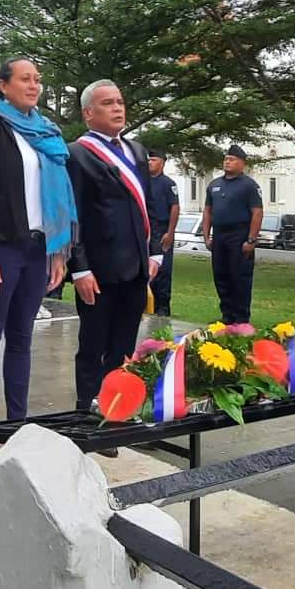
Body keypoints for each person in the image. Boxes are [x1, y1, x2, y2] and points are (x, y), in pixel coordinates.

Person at [0, 58, 74, 461]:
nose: (34, 85)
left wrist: (56, 253)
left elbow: (53, 197)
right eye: (26, 79)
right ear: (3, 85)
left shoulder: (45, 131)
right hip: (0, 249)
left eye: (38, 79)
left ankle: (19, 424)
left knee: (22, 339)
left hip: (36, 249)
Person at [67, 81, 164, 416]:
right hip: (97, 269)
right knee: (93, 343)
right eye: (108, 103)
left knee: (123, 345)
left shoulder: (137, 151)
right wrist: (79, 267)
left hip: (136, 266)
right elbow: (72, 215)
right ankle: (87, 407)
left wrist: (154, 252)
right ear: (88, 113)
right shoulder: (77, 154)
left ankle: (117, 406)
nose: (118, 108)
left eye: (120, 101)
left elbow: (148, 206)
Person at [198, 146, 264, 324]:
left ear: (242, 163)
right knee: (221, 276)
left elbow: (257, 213)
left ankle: (241, 318)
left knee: (239, 277)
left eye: (232, 159)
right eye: (226, 159)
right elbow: (207, 212)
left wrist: (251, 240)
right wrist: (206, 236)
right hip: (220, 236)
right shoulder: (215, 185)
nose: (227, 162)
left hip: (239, 235)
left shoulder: (249, 186)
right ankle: (226, 315)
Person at [145, 148, 180, 316]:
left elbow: (174, 207)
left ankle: (163, 307)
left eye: (154, 160)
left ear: (162, 163)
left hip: (162, 229)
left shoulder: (168, 183)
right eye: (149, 160)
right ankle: (146, 305)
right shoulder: (142, 181)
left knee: (163, 271)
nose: (150, 163)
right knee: (145, 270)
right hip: (146, 229)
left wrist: (170, 232)